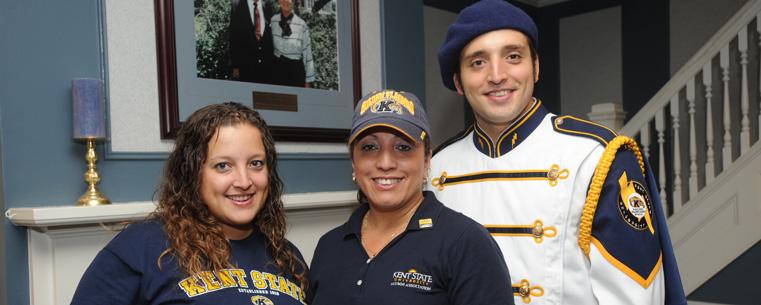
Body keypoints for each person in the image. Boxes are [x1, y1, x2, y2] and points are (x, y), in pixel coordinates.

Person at [428, 1, 688, 304]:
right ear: (459, 81)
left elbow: (635, 296)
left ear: (535, 67)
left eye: (513, 56)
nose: (497, 75)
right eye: (478, 62)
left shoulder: (596, 157)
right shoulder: (435, 168)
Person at [70, 102, 308, 304]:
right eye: (222, 166)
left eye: (255, 163)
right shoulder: (142, 247)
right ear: (190, 173)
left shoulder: (287, 256)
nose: (244, 182)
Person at [307, 89, 515, 305]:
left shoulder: (466, 244)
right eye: (369, 147)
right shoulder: (329, 246)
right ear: (353, 162)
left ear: (426, 161)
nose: (386, 163)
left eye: (403, 147)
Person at [230, 0, 276, 84]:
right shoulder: (236, 6)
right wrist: (235, 65)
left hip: (267, 68)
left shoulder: (269, 9)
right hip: (246, 67)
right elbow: (233, 37)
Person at [270, 0, 315, 88]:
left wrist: (308, 80)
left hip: (295, 72)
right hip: (277, 70)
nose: (285, 1)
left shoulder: (301, 24)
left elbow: (307, 52)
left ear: (293, 1)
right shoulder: (273, 21)